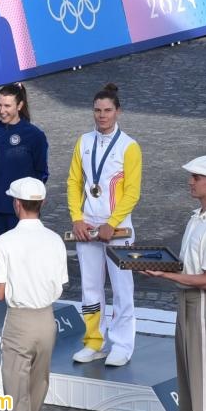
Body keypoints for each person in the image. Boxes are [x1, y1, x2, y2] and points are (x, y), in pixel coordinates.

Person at [143, 156, 206, 411]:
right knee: (189, 386)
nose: (190, 182)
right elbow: (186, 265)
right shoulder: (197, 218)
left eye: (196, 177)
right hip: (188, 304)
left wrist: (165, 276)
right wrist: (154, 263)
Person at [0, 177, 67, 411]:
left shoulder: (4, 242)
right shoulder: (55, 240)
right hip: (47, 321)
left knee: (16, 398)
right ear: (42, 203)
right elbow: (61, 285)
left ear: (16, 204)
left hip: (19, 325)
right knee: (36, 392)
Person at [66, 83, 141, 367]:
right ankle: (94, 341)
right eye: (97, 110)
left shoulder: (129, 147)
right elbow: (74, 182)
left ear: (118, 111)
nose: (102, 116)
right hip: (87, 227)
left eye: (107, 110)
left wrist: (111, 223)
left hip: (118, 229)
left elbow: (132, 191)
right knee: (91, 287)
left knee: (122, 288)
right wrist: (76, 217)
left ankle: (122, 344)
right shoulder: (83, 142)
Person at [0, 83, 48, 259]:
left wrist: (33, 203)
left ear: (19, 106)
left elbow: (41, 171)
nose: (1, 110)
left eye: (7, 106)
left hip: (22, 210)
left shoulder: (34, 136)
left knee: (21, 260)